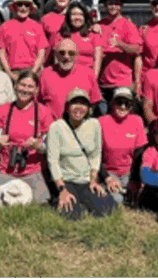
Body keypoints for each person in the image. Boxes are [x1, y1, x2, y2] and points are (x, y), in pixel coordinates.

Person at [0, 71, 57, 207]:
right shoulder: (2, 111)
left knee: (41, 204)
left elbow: (49, 148)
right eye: (22, 85)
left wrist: (39, 146)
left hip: (32, 171)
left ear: (36, 90)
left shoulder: (44, 113)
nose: (25, 90)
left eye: (30, 87)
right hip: (6, 169)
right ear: (15, 85)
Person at [47, 91, 117, 220]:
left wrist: (93, 180)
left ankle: (85, 201)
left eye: (83, 104)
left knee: (107, 210)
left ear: (89, 108)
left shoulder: (94, 124)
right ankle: (61, 198)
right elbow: (53, 161)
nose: (79, 107)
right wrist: (62, 189)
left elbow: (96, 155)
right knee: (72, 215)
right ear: (67, 107)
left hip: (85, 180)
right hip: (66, 179)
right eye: (75, 103)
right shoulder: (56, 127)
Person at [94, 88, 146, 208]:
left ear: (131, 106)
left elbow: (139, 154)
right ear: (112, 103)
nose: (122, 107)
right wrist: (107, 178)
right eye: (119, 102)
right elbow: (95, 155)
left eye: (127, 103)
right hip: (109, 172)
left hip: (129, 172)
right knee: (117, 200)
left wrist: (134, 179)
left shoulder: (137, 121)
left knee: (141, 198)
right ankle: (105, 188)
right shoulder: (102, 122)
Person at [96, 0, 146, 90]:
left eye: (117, 4)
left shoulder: (128, 25)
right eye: (110, 3)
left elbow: (138, 50)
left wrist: (120, 44)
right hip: (102, 83)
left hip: (123, 83)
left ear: (121, 6)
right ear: (105, 5)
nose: (113, 6)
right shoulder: (99, 25)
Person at [39, 38, 101, 109]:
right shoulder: (44, 74)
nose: (66, 56)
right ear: (56, 54)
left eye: (71, 53)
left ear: (77, 55)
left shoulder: (88, 74)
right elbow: (38, 103)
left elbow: (94, 102)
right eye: (62, 53)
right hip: (51, 120)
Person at [0, 0, 49, 74]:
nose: (23, 8)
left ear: (30, 8)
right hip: (12, 71)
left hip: (32, 70)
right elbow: (2, 53)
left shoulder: (37, 27)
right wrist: (9, 73)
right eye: (20, 4)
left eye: (26, 5)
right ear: (14, 7)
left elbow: (41, 53)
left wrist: (33, 73)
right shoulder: (5, 26)